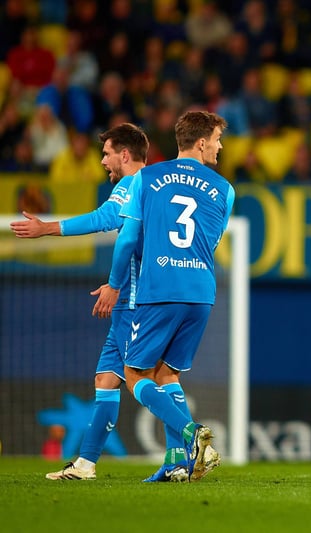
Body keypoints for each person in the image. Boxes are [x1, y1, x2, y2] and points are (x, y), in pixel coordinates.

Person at [93, 110, 234, 482]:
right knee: (167, 373)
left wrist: (114, 284)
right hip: (201, 292)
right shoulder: (225, 189)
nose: (220, 147)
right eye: (217, 139)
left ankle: (193, 434)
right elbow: (212, 241)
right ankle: (175, 463)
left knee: (133, 373)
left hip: (161, 289)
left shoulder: (146, 177)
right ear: (201, 142)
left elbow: (127, 238)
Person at [10, 123, 149, 480]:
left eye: (106, 153)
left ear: (124, 155)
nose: (101, 161)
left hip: (136, 300)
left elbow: (105, 219)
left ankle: (191, 439)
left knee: (148, 380)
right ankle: (86, 464)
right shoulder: (150, 186)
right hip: (130, 294)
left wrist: (47, 228)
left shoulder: (133, 183)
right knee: (107, 379)